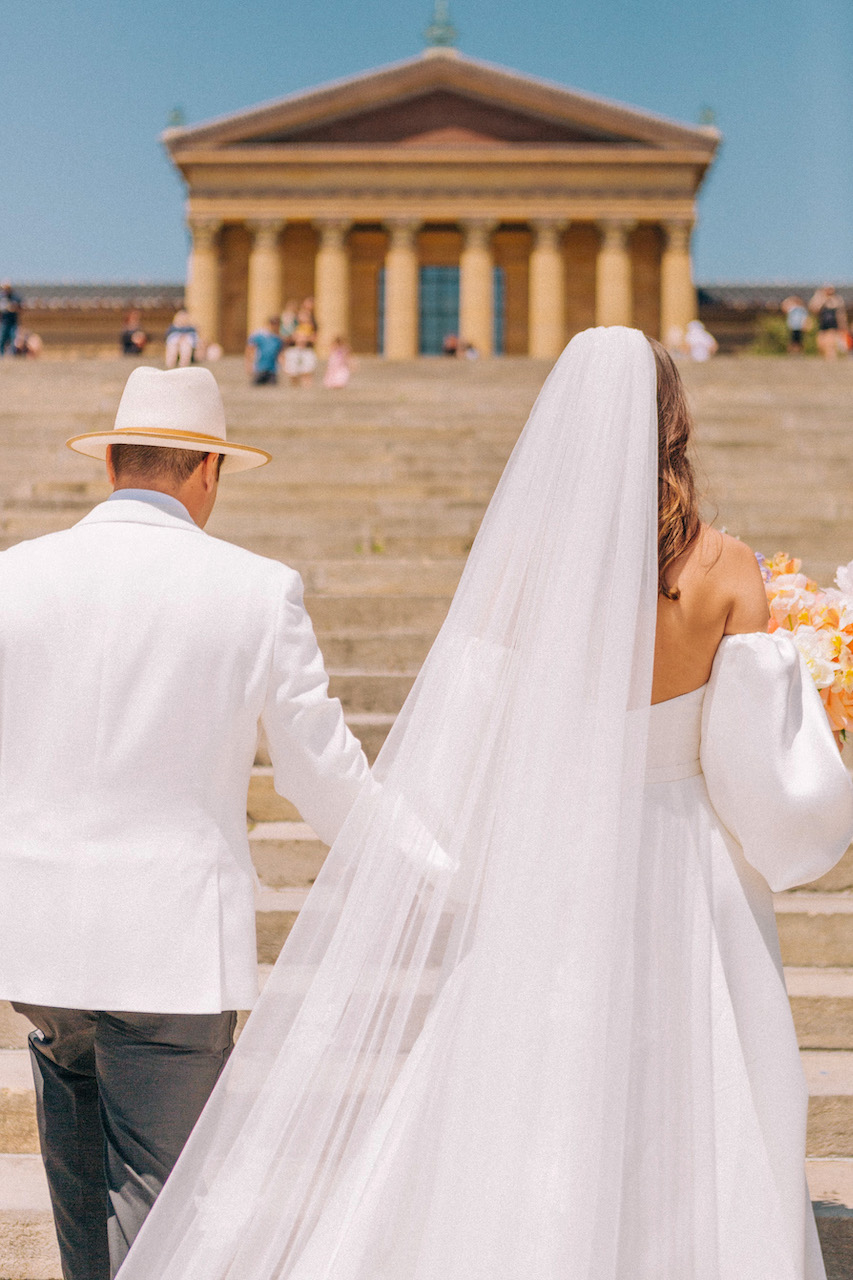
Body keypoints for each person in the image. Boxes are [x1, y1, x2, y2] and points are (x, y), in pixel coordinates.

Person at [118, 329, 853, 1280]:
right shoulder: (723, 569)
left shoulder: (522, 578)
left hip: (555, 858)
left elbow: (471, 742)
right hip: (688, 868)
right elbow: (761, 779)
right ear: (672, 422)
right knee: (697, 1083)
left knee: (542, 1084)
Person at [0, 366, 370, 1280]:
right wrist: (428, 868)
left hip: (42, 943)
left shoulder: (14, 576)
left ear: (113, 466)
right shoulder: (256, 589)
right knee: (167, 1218)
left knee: (81, 1192)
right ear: (206, 469)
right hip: (170, 950)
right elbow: (320, 774)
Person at [809, 286, 847, 360]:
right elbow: (814, 309)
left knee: (831, 342)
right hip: (822, 324)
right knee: (821, 343)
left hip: (833, 324)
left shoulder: (837, 300)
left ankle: (831, 357)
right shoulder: (820, 299)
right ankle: (825, 357)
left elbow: (841, 314)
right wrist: (821, 299)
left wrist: (843, 324)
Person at [246, 317, 285, 384]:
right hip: (259, 368)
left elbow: (280, 354)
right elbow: (250, 350)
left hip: (272, 369)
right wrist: (249, 364)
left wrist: (284, 366)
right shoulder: (259, 336)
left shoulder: (278, 339)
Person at [0, 281, 23, 355]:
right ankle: (1, 354)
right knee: (2, 338)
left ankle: (13, 355)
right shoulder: (2, 297)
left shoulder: (15, 297)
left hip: (13, 322)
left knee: (13, 338)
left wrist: (13, 308)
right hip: (4, 322)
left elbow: (21, 307)